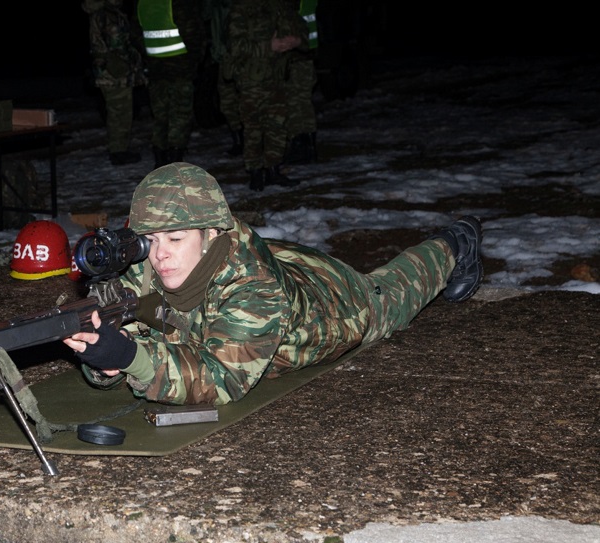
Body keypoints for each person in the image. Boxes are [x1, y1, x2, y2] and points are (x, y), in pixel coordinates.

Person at [63, 162, 484, 406]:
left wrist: (134, 357)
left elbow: (221, 379)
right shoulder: (157, 262)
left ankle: (456, 241)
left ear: (211, 234)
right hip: (271, 258)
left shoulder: (256, 292)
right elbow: (125, 336)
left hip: (333, 302)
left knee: (393, 292)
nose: (160, 256)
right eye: (150, 242)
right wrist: (104, 355)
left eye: (175, 239)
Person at [227, 0, 306, 191]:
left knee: (278, 126)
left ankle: (273, 169)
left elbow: (302, 31)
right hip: (251, 79)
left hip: (277, 78)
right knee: (254, 127)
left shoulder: (280, 7)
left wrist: (298, 41)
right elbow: (236, 47)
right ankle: (255, 172)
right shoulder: (242, 10)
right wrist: (269, 46)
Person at [136, 0, 207, 168]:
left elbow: (135, 34)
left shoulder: (143, 3)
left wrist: (149, 55)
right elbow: (193, 33)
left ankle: (160, 159)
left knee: (160, 114)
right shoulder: (177, 3)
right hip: (180, 66)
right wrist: (194, 60)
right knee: (180, 114)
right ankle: (175, 158)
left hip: (155, 66)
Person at [83, 0, 148, 166]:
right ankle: (119, 151)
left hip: (111, 70)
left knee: (118, 112)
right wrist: (133, 59)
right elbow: (117, 42)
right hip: (114, 72)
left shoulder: (105, 13)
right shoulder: (107, 14)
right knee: (121, 113)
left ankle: (119, 149)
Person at [204, 0, 243, 156]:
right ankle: (239, 140)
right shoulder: (215, 5)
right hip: (223, 58)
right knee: (227, 103)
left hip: (243, 58)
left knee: (250, 102)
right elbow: (206, 15)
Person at [282, 0, 319, 165]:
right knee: (299, 102)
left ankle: (303, 147)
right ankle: (306, 147)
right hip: (302, 54)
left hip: (300, 55)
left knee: (297, 101)